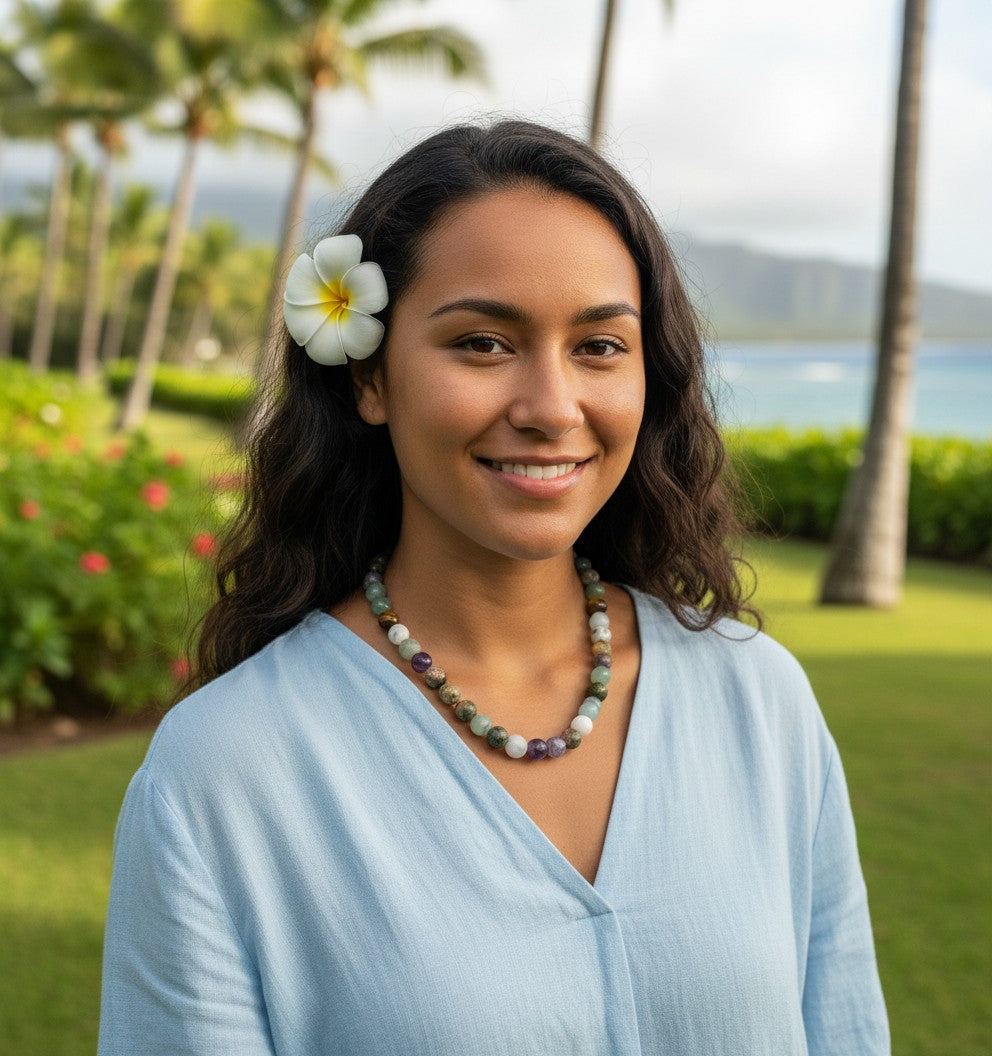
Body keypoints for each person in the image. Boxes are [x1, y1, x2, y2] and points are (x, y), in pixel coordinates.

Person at [98, 120, 889, 1055]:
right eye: (482, 342)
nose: (552, 408)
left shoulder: (761, 703)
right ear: (369, 376)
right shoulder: (222, 776)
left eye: (599, 346)